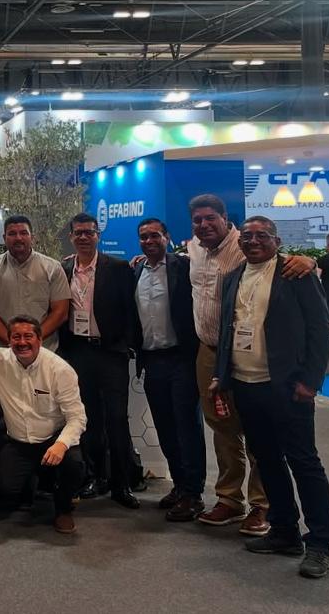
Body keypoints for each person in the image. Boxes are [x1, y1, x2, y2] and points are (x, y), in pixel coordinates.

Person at [212, 216, 329, 579]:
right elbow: (227, 331)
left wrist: (311, 382)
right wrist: (222, 377)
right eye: (247, 236)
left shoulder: (296, 274)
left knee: (304, 463)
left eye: (261, 235)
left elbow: (320, 330)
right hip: (246, 385)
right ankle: (284, 532)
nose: (253, 241)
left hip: (287, 386)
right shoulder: (233, 277)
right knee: (267, 461)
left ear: (276, 241)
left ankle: (320, 543)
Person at [186, 193, 314, 535]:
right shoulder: (193, 248)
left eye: (210, 218)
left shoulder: (244, 245)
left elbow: (287, 265)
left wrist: (311, 260)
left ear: (225, 218)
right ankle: (229, 498)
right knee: (222, 427)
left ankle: (262, 504)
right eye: (197, 220)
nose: (203, 225)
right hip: (209, 352)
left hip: (252, 354)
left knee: (259, 429)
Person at [0, 316, 87, 534]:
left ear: (40, 339)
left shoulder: (60, 369)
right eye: (16, 337)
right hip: (18, 443)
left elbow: (77, 418)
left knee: (74, 465)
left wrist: (61, 445)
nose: (22, 342)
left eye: (28, 336)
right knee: (5, 491)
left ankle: (63, 509)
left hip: (52, 440)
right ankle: (33, 484)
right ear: (9, 340)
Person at [59, 213, 140, 509]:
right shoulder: (64, 268)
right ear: (71, 236)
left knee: (117, 419)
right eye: (78, 232)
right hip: (78, 353)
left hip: (109, 352)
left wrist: (126, 345)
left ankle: (121, 483)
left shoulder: (117, 268)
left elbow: (130, 309)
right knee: (87, 418)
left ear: (97, 235)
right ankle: (94, 477)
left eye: (89, 232)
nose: (83, 237)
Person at [133, 218, 206, 522]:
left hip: (182, 359)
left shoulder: (184, 267)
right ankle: (180, 485)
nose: (149, 241)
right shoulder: (136, 270)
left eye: (155, 236)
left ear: (167, 237)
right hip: (152, 361)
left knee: (187, 427)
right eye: (143, 237)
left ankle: (194, 494)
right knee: (165, 427)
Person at [0, 215, 71, 351]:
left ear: (32, 237)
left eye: (23, 233)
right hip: (4, 351)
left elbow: (60, 312)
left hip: (44, 350)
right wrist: (14, 342)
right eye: (12, 234)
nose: (18, 238)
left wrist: (33, 340)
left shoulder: (52, 268)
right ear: (4, 238)